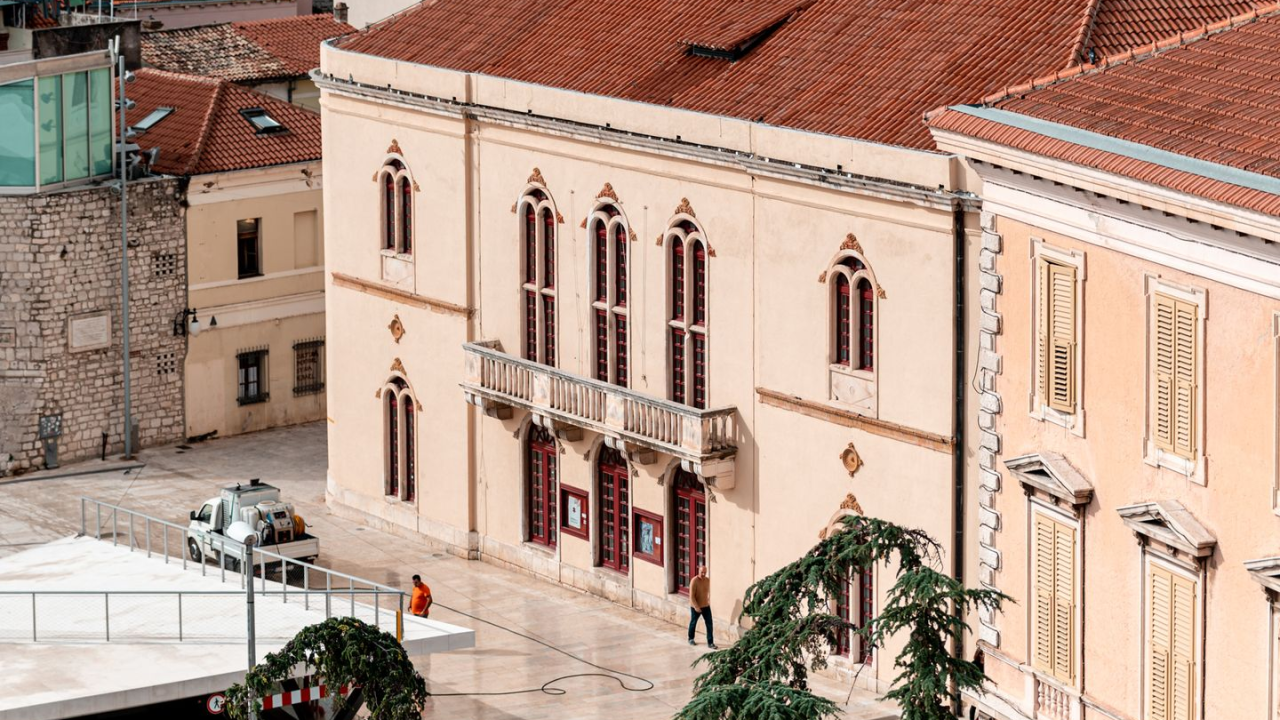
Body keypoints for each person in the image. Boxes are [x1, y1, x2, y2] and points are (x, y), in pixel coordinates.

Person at [688, 566, 716, 649]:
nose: (703, 574)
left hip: (706, 606)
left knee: (709, 624)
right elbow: (691, 596)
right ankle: (691, 638)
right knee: (693, 622)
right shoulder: (694, 581)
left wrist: (708, 601)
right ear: (699, 571)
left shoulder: (707, 580)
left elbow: (707, 592)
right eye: (702, 572)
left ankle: (710, 642)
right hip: (696, 607)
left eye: (705, 572)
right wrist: (696, 607)